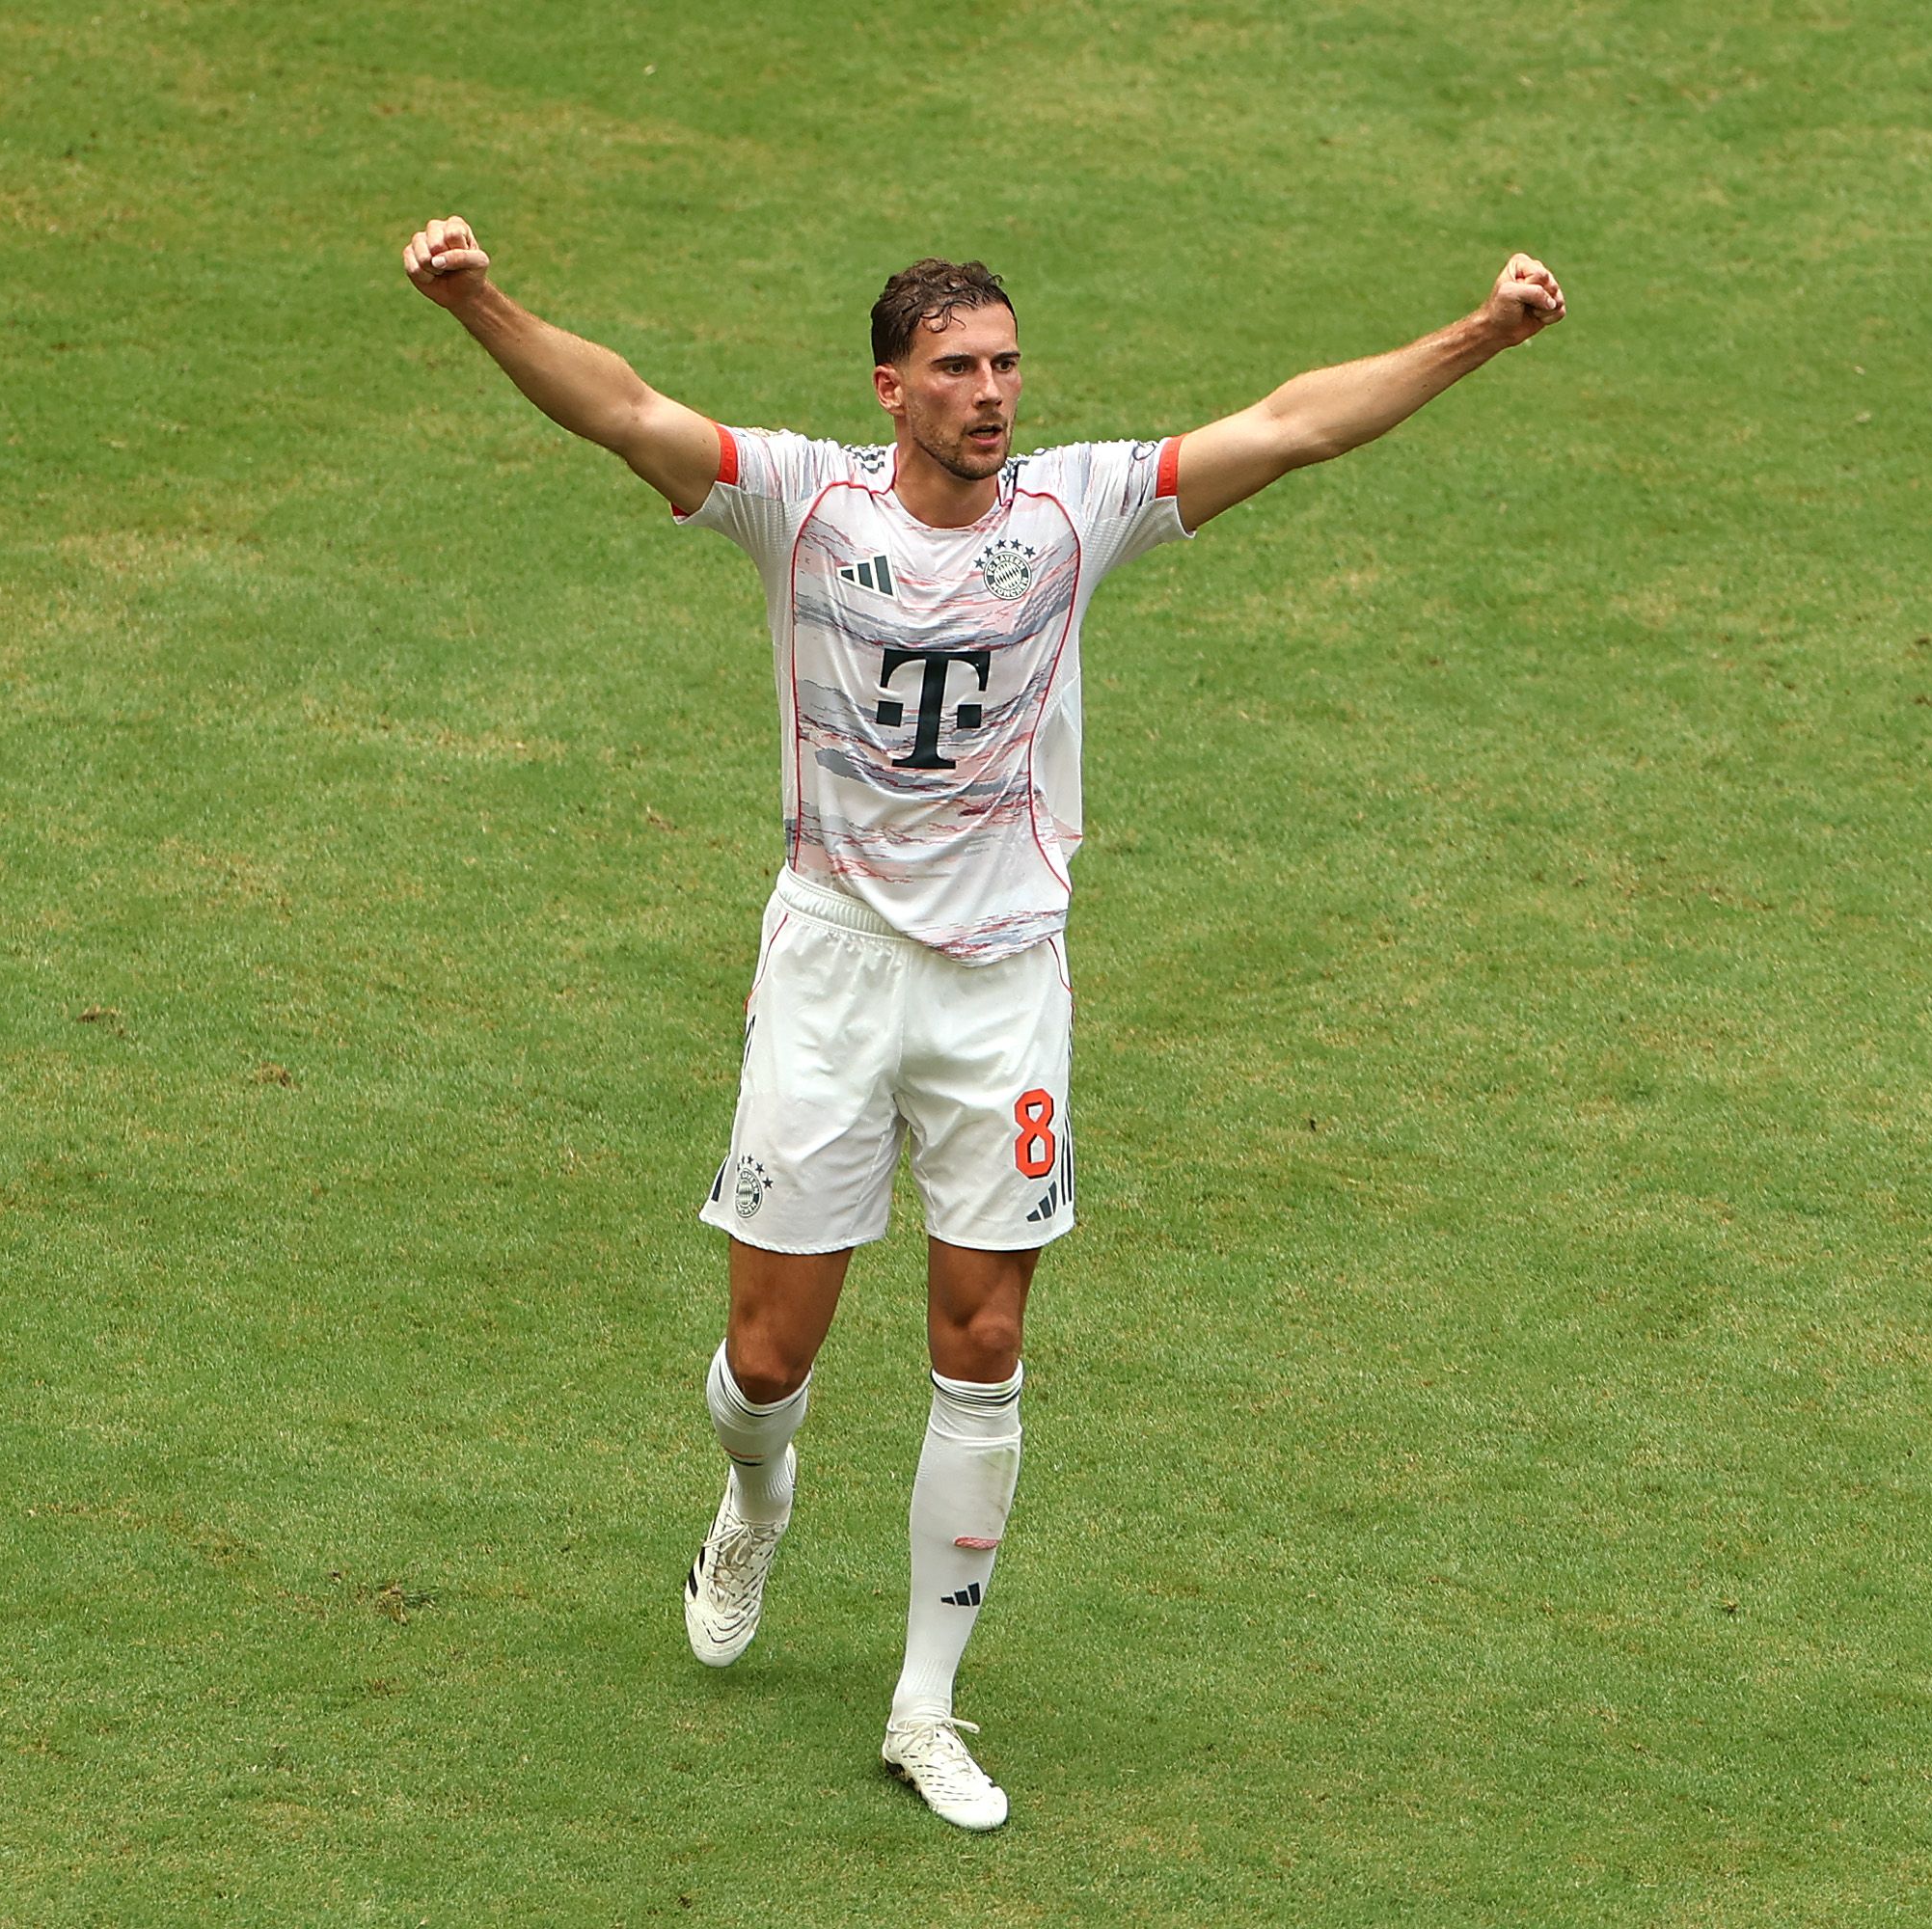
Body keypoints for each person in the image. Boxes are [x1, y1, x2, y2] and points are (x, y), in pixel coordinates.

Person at [403, 216, 1565, 1830]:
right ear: (892, 388)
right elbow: (622, 408)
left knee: (989, 1339)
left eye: (1008, 362)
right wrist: (479, 302)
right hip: (832, 967)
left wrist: (1478, 337)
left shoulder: (1077, 511)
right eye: (957, 368)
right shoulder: (800, 505)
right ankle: (754, 1502)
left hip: (1005, 980)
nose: (992, 391)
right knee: (765, 1356)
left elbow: (1295, 427)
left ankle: (923, 1707)